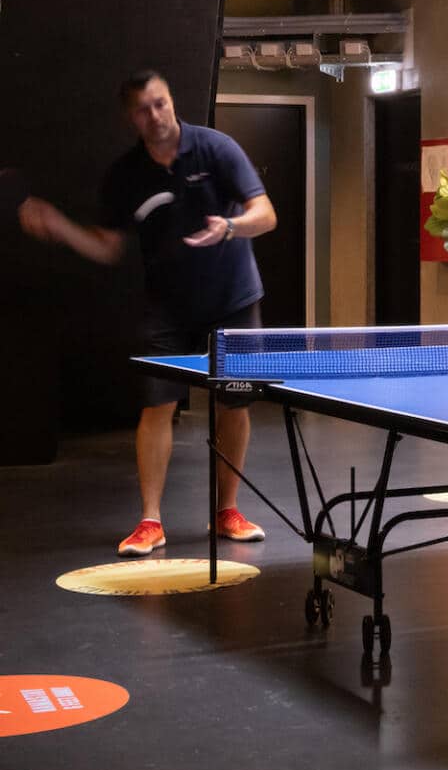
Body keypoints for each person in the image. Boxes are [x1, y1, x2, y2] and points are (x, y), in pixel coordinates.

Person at [19, 70, 277, 556]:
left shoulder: (216, 149)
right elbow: (105, 247)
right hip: (169, 306)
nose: (155, 115)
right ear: (130, 117)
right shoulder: (125, 175)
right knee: (156, 405)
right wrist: (59, 227)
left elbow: (266, 214)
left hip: (233, 298)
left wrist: (230, 227)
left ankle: (227, 511)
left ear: (171, 100)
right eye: (144, 109)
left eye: (160, 103)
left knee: (234, 402)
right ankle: (150, 522)